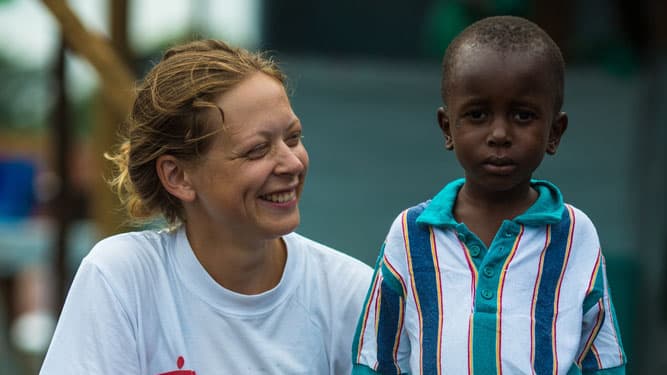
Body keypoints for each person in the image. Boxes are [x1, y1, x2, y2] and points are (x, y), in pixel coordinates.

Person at [39, 39, 372, 374]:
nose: (292, 163)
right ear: (178, 176)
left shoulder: (352, 295)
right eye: (257, 150)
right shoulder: (123, 278)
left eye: (293, 138)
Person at [352, 16, 626, 374]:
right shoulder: (411, 233)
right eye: (477, 114)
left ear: (555, 132)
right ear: (447, 128)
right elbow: (377, 357)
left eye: (523, 115)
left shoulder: (574, 234)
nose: (499, 133)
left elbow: (601, 359)